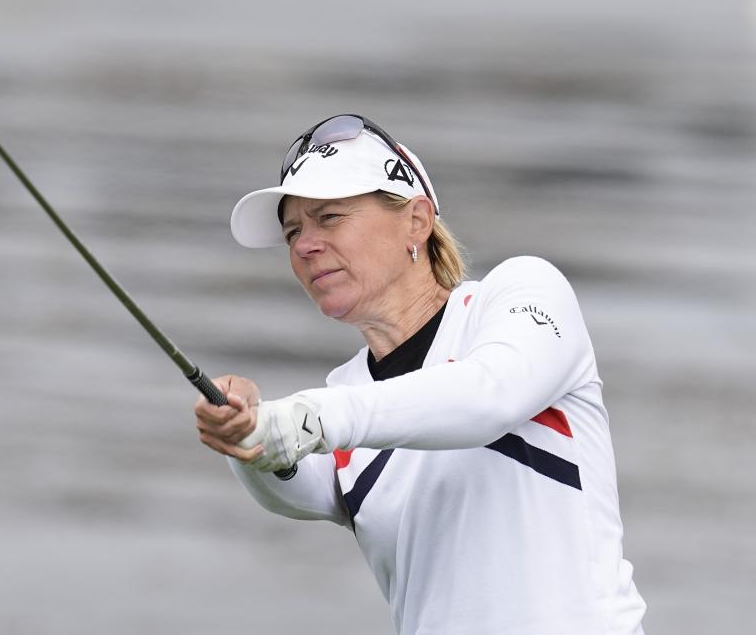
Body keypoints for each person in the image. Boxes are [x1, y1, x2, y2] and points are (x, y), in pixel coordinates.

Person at [193, 114, 646, 634]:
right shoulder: (345, 395)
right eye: (294, 230)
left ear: (417, 221)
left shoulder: (522, 295)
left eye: (330, 218)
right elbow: (286, 483)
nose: (303, 245)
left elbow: (487, 398)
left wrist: (306, 417)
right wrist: (247, 427)